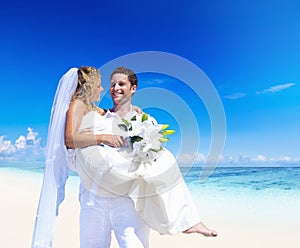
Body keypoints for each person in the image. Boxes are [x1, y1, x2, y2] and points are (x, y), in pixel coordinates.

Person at [32, 66, 217, 248]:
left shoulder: (142, 119)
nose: (110, 88)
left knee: (164, 161)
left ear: (133, 88)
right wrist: (103, 137)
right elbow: (71, 139)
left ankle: (185, 220)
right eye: (110, 84)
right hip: (93, 197)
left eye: (121, 84)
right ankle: (185, 221)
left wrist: (133, 113)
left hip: (128, 200)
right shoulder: (95, 113)